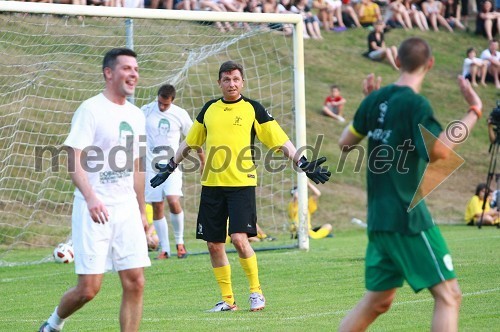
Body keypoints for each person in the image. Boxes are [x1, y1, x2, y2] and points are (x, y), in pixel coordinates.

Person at [149, 60, 331, 312]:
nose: (231, 83)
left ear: (242, 82)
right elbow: (190, 143)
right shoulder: (209, 110)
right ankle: (228, 300)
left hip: (241, 184)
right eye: (226, 79)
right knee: (213, 243)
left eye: (236, 79)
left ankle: (256, 292)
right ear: (219, 83)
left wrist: (303, 162)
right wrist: (169, 166)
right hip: (211, 185)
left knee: (238, 238)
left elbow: (279, 139)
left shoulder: (253, 109)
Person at [338, 37, 482, 331]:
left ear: (397, 62)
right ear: (430, 64)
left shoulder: (376, 99)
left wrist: (370, 102)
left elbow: (345, 142)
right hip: (407, 217)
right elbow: (439, 151)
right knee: (449, 296)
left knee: (377, 302)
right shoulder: (416, 104)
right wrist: (474, 111)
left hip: (379, 219)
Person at [39, 48, 151, 332]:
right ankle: (53, 325)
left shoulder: (137, 115)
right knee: (89, 289)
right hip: (95, 210)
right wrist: (91, 198)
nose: (133, 74)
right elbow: (73, 159)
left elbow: (138, 166)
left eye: (136, 69)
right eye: (126, 68)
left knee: (135, 281)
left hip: (126, 209)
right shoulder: (91, 109)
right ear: (109, 73)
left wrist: (142, 212)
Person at [142, 84, 205, 260]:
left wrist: (202, 160)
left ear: (172, 100)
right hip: (150, 166)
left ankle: (180, 243)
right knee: (157, 205)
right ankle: (165, 249)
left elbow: (194, 137)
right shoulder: (146, 111)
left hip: (172, 166)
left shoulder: (180, 114)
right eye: (160, 103)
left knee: (173, 200)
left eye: (166, 104)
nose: (162, 107)